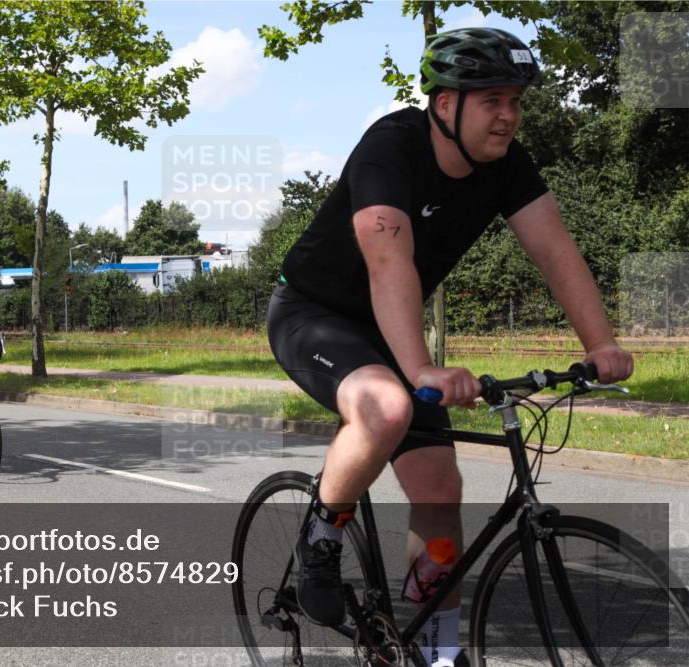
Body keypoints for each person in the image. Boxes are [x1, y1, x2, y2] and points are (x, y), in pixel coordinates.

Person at [267, 27, 633, 667]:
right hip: (314, 314)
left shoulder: (507, 165)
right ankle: (322, 537)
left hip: (393, 325)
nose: (510, 115)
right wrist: (420, 369)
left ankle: (434, 650)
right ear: (446, 105)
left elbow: (556, 251)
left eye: (515, 100)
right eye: (492, 100)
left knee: (439, 492)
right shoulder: (391, 145)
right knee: (386, 406)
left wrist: (599, 343)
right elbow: (388, 260)